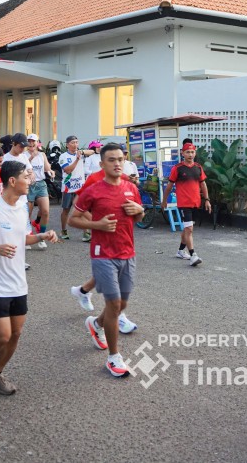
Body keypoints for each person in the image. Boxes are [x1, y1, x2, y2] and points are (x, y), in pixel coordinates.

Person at [0, 161, 59, 394]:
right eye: (26, 177)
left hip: (18, 282)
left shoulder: (20, 209)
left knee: (15, 333)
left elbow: (22, 238)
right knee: (2, 334)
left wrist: (41, 236)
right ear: (12, 181)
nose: (31, 181)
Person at [68, 143, 145, 378]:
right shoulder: (93, 190)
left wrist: (139, 210)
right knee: (113, 305)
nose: (117, 163)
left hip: (127, 253)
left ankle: (96, 324)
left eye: (121, 159)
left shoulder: (131, 188)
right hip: (102, 254)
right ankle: (114, 358)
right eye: (112, 160)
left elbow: (140, 216)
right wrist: (97, 225)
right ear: (102, 164)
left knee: (122, 306)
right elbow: (73, 219)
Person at [161, 139, 210, 267]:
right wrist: (164, 200)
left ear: (195, 153)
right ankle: (193, 255)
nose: (190, 154)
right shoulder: (177, 168)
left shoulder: (198, 167)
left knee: (187, 229)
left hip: (196, 203)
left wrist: (207, 200)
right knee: (189, 229)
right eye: (187, 152)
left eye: (192, 152)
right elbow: (169, 186)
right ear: (182, 153)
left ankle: (181, 251)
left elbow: (203, 184)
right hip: (184, 203)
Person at [58, 135, 92, 241]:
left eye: (77, 142)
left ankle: (86, 233)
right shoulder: (63, 156)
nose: (75, 144)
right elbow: (68, 170)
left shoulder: (80, 153)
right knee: (66, 210)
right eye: (73, 142)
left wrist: (81, 152)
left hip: (80, 187)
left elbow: (92, 151)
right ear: (67, 145)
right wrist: (77, 159)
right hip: (68, 187)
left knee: (82, 209)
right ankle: (64, 230)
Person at [25, 133, 54, 242]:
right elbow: (22, 168)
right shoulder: (23, 155)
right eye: (29, 141)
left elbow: (47, 168)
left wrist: (51, 172)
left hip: (41, 184)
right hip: (28, 185)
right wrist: (31, 157)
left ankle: (41, 236)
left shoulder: (42, 155)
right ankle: (27, 235)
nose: (31, 143)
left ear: (38, 143)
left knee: (45, 211)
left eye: (34, 141)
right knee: (27, 213)